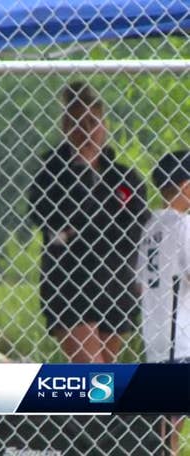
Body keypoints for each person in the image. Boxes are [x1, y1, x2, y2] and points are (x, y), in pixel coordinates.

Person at [28, 81, 148, 363]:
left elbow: (134, 229)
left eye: (93, 122)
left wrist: (81, 230)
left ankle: (98, 409)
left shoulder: (123, 178)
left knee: (105, 373)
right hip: (69, 282)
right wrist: (80, 171)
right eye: (77, 123)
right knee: (90, 370)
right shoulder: (51, 174)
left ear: (105, 125)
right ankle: (89, 409)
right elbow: (48, 215)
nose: (86, 131)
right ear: (66, 128)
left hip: (116, 282)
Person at [136, 150, 190, 454]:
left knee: (165, 422)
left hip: (155, 337)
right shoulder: (184, 224)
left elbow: (139, 284)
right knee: (171, 421)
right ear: (185, 186)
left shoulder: (150, 225)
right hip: (182, 339)